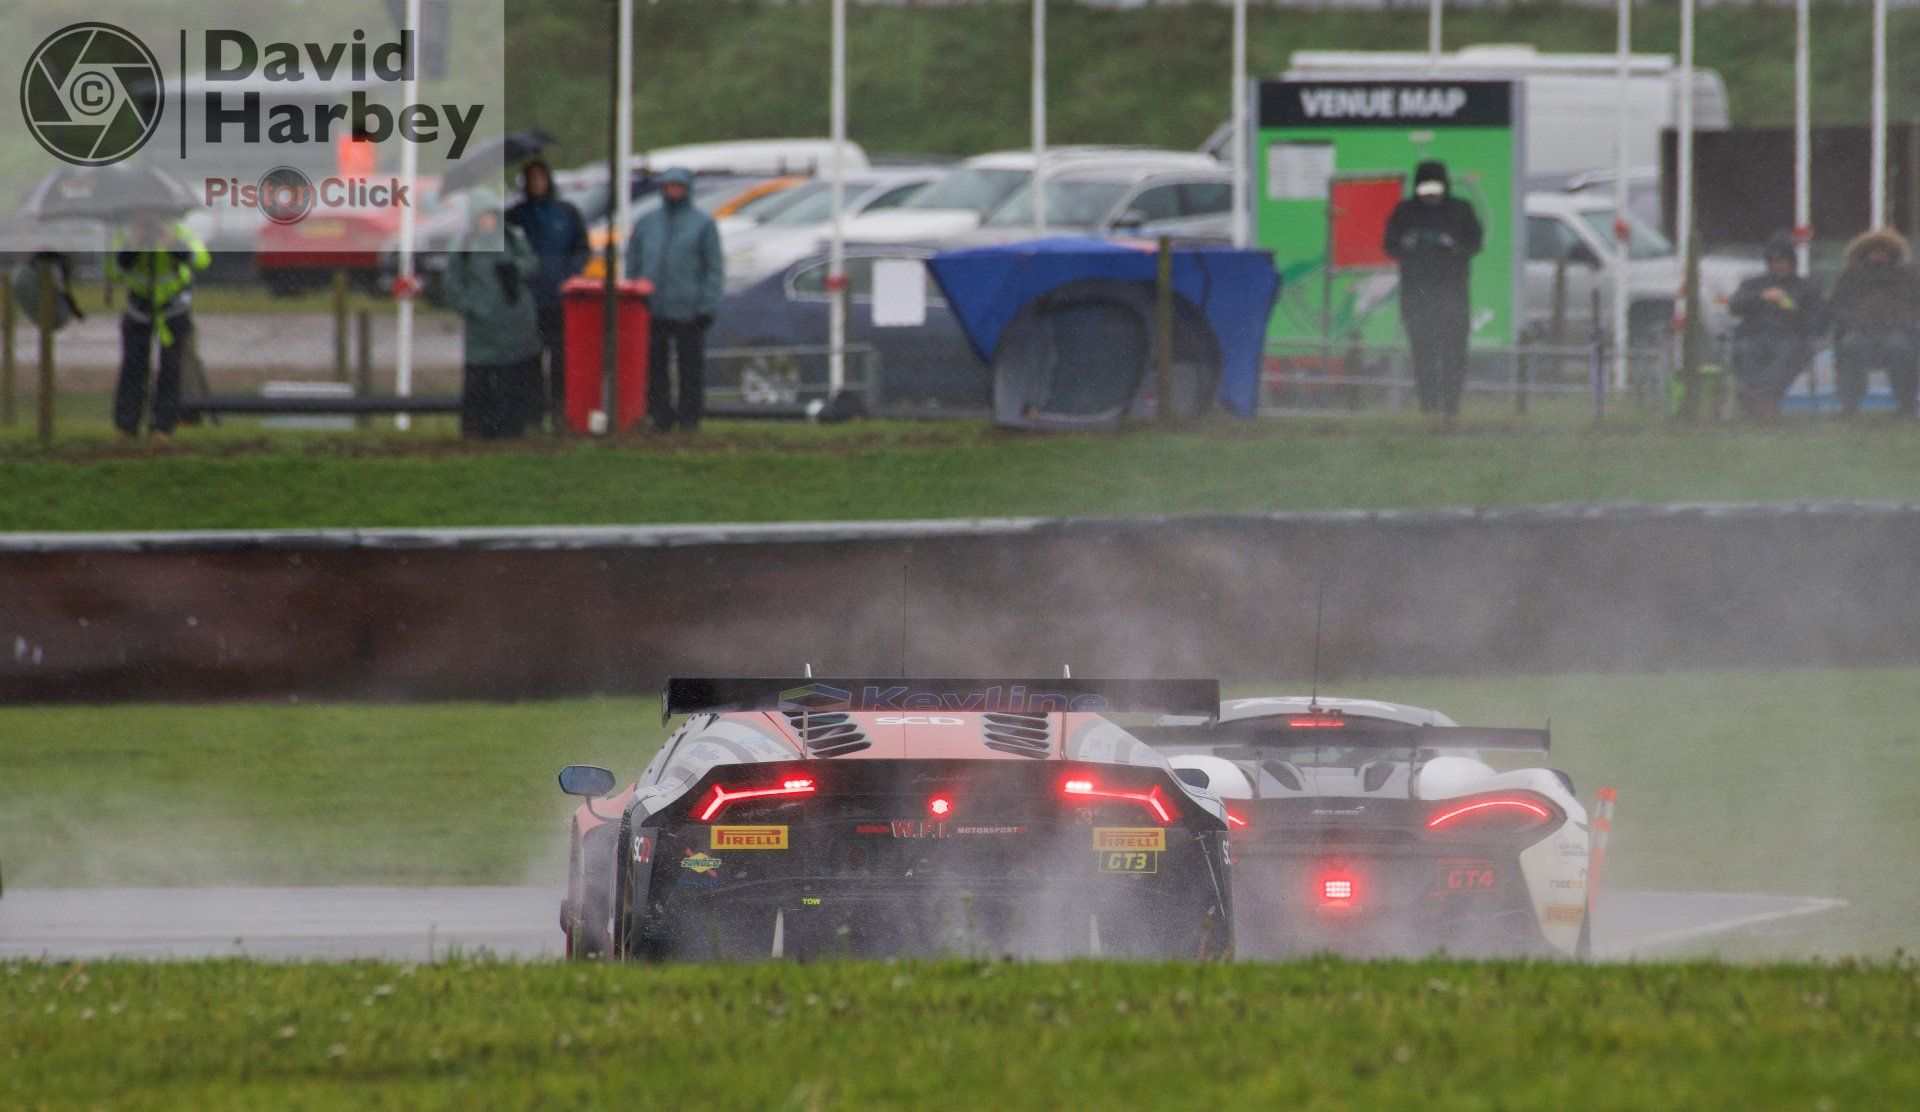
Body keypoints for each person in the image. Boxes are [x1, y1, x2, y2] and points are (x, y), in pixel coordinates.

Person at [1383, 160, 1483, 427]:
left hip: (1453, 295)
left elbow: (1475, 242)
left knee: (1454, 353)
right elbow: (1390, 245)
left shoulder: (1461, 210)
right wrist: (1409, 242)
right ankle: (1429, 408)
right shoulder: (1404, 213)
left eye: (1436, 188)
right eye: (1425, 188)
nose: (1431, 194)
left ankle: (1452, 407)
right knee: (1423, 354)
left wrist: (1454, 246)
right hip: (1417, 297)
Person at [625, 166, 723, 432]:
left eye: (678, 186)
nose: (673, 191)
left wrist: (707, 304)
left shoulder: (702, 224)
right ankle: (660, 416)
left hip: (689, 308)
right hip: (652, 306)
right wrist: (634, 294)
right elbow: (633, 262)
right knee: (654, 367)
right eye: (668, 186)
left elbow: (713, 268)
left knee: (690, 367)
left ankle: (690, 417)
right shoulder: (647, 222)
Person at [442, 193, 542, 438]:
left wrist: (515, 269)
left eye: (492, 216)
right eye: (484, 216)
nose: (489, 221)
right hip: (482, 327)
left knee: (511, 377)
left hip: (513, 322)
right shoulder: (464, 245)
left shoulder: (510, 239)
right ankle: (477, 426)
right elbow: (452, 283)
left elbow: (531, 263)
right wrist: (471, 306)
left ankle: (510, 426)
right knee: (479, 378)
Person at [107, 211, 209, 441]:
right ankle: (126, 426)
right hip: (138, 309)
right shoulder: (124, 234)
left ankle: (162, 427)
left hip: (172, 309)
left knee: (171, 370)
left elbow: (201, 260)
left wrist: (171, 242)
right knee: (133, 368)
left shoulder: (178, 231)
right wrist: (133, 245)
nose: (149, 221)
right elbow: (113, 271)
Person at [505, 160, 590, 428]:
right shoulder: (517, 216)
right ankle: (532, 414)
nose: (537, 184)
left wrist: (569, 275)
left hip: (560, 299)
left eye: (541, 178)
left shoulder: (566, 212)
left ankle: (560, 411)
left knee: (561, 360)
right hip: (528, 300)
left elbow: (581, 248)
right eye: (532, 179)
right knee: (529, 360)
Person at [1729, 231, 1828, 419]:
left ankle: (1763, 398)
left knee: (1787, 353)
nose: (1778, 266)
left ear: (1791, 262)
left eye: (1783, 261)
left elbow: (1817, 320)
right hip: (1754, 335)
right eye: (1774, 262)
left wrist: (1787, 303)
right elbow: (1736, 306)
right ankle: (1760, 400)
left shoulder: (1807, 288)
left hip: (1791, 337)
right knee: (1745, 350)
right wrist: (1760, 297)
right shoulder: (1753, 285)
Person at [1827, 228, 1920, 419]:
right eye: (1874, 251)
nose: (1878, 255)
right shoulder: (1851, 278)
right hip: (1860, 332)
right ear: (1865, 254)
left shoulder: (1908, 278)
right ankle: (1849, 404)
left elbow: (1914, 308)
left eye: (1883, 251)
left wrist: (1899, 323)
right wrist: (1857, 322)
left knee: (1900, 347)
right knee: (1849, 346)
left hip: (1898, 332)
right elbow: (1838, 308)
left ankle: (1906, 404)